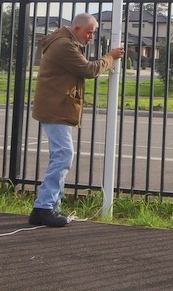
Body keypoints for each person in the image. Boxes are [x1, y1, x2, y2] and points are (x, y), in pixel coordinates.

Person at [29, 12, 124, 227]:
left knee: (60, 155)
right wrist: (110, 57)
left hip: (56, 106)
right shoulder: (64, 45)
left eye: (93, 33)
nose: (91, 37)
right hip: (55, 108)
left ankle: (51, 206)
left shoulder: (63, 41)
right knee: (63, 155)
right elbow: (88, 70)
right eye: (89, 32)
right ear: (78, 29)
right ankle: (43, 207)